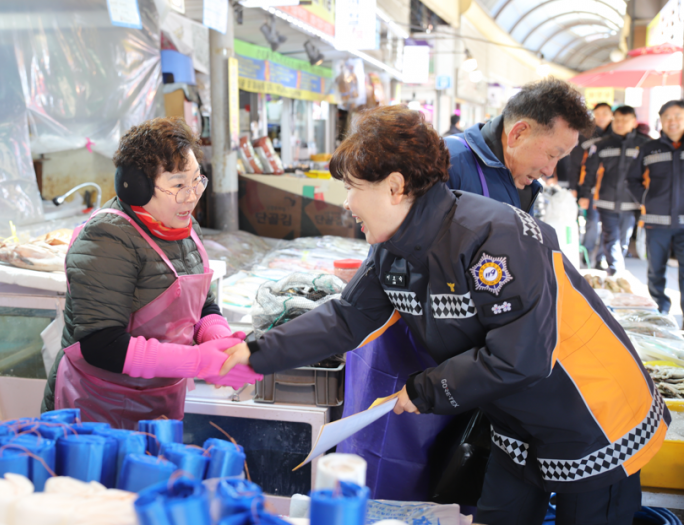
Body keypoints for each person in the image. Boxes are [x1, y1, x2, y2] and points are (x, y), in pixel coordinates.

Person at [221, 105, 668, 525]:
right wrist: (254, 352)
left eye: (355, 188)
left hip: (592, 414)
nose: (348, 204)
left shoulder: (495, 236)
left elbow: (522, 356)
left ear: (395, 187)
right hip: (516, 421)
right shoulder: (392, 251)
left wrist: (426, 390)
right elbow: (346, 318)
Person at [40, 118, 261, 428]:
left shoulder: (185, 228)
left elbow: (201, 307)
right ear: (137, 188)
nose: (192, 195)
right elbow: (100, 345)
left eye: (197, 180)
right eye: (178, 185)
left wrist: (222, 344)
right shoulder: (107, 237)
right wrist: (197, 361)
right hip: (96, 409)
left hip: (159, 403)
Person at [444, 78, 590, 213]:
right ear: (518, 133)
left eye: (559, 159)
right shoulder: (446, 162)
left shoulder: (524, 183)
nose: (549, 171)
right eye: (552, 155)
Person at [627, 100, 684, 320]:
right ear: (660, 120)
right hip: (656, 220)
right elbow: (631, 179)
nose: (673, 121)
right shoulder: (649, 148)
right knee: (655, 270)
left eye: (678, 116)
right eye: (667, 116)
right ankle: (660, 313)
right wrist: (646, 199)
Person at [580, 105, 649, 276]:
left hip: (631, 202)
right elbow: (589, 171)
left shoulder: (644, 144)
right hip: (606, 199)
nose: (620, 123)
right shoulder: (602, 145)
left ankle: (615, 267)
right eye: (617, 120)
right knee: (611, 237)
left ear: (633, 122)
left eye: (625, 120)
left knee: (623, 240)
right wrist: (585, 194)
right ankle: (616, 272)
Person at [571, 102, 613, 267]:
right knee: (592, 223)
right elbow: (574, 164)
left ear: (611, 115)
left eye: (605, 113)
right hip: (589, 189)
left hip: (610, 190)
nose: (601, 117)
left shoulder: (617, 136)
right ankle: (587, 256)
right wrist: (575, 188)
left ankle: (601, 259)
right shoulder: (585, 136)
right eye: (598, 113)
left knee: (608, 226)